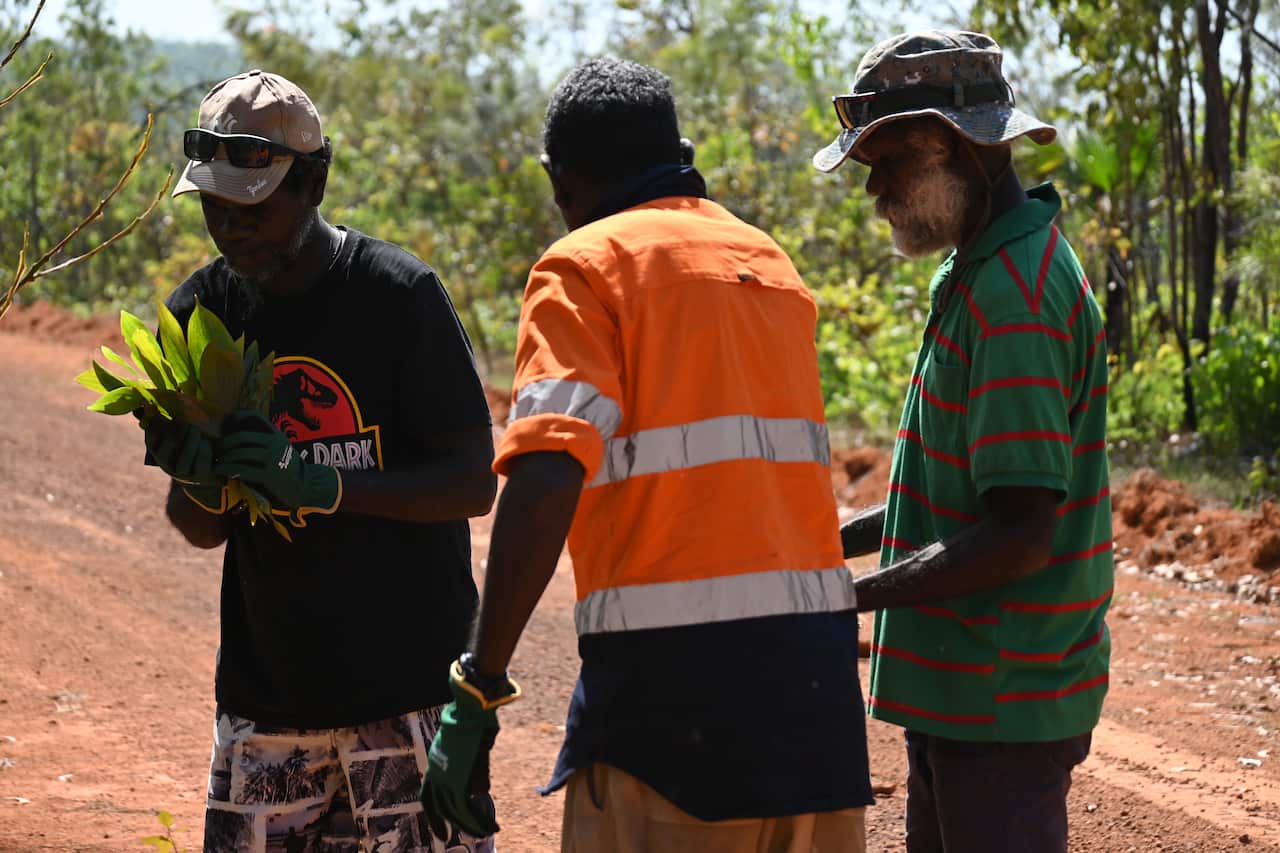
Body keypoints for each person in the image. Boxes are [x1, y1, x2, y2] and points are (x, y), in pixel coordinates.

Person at [418, 57, 873, 852]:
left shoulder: (582, 267)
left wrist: (479, 683)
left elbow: (548, 468)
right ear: (683, 150)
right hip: (819, 713)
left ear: (559, 181)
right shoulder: (771, 265)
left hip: (672, 723)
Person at [142, 69, 498, 853]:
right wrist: (198, 475)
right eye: (214, 206)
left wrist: (326, 485)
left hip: (405, 701)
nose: (233, 229)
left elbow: (472, 483)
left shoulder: (399, 297)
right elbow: (197, 527)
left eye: (255, 208)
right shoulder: (198, 314)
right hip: (267, 703)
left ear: (315, 182)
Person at [812, 31, 1113, 852]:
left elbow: (1018, 529)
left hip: (1001, 701)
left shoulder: (1012, 297)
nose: (873, 190)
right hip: (966, 693)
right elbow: (942, 497)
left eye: (884, 163)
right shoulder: (978, 270)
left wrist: (842, 601)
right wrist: (817, 548)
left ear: (945, 146)